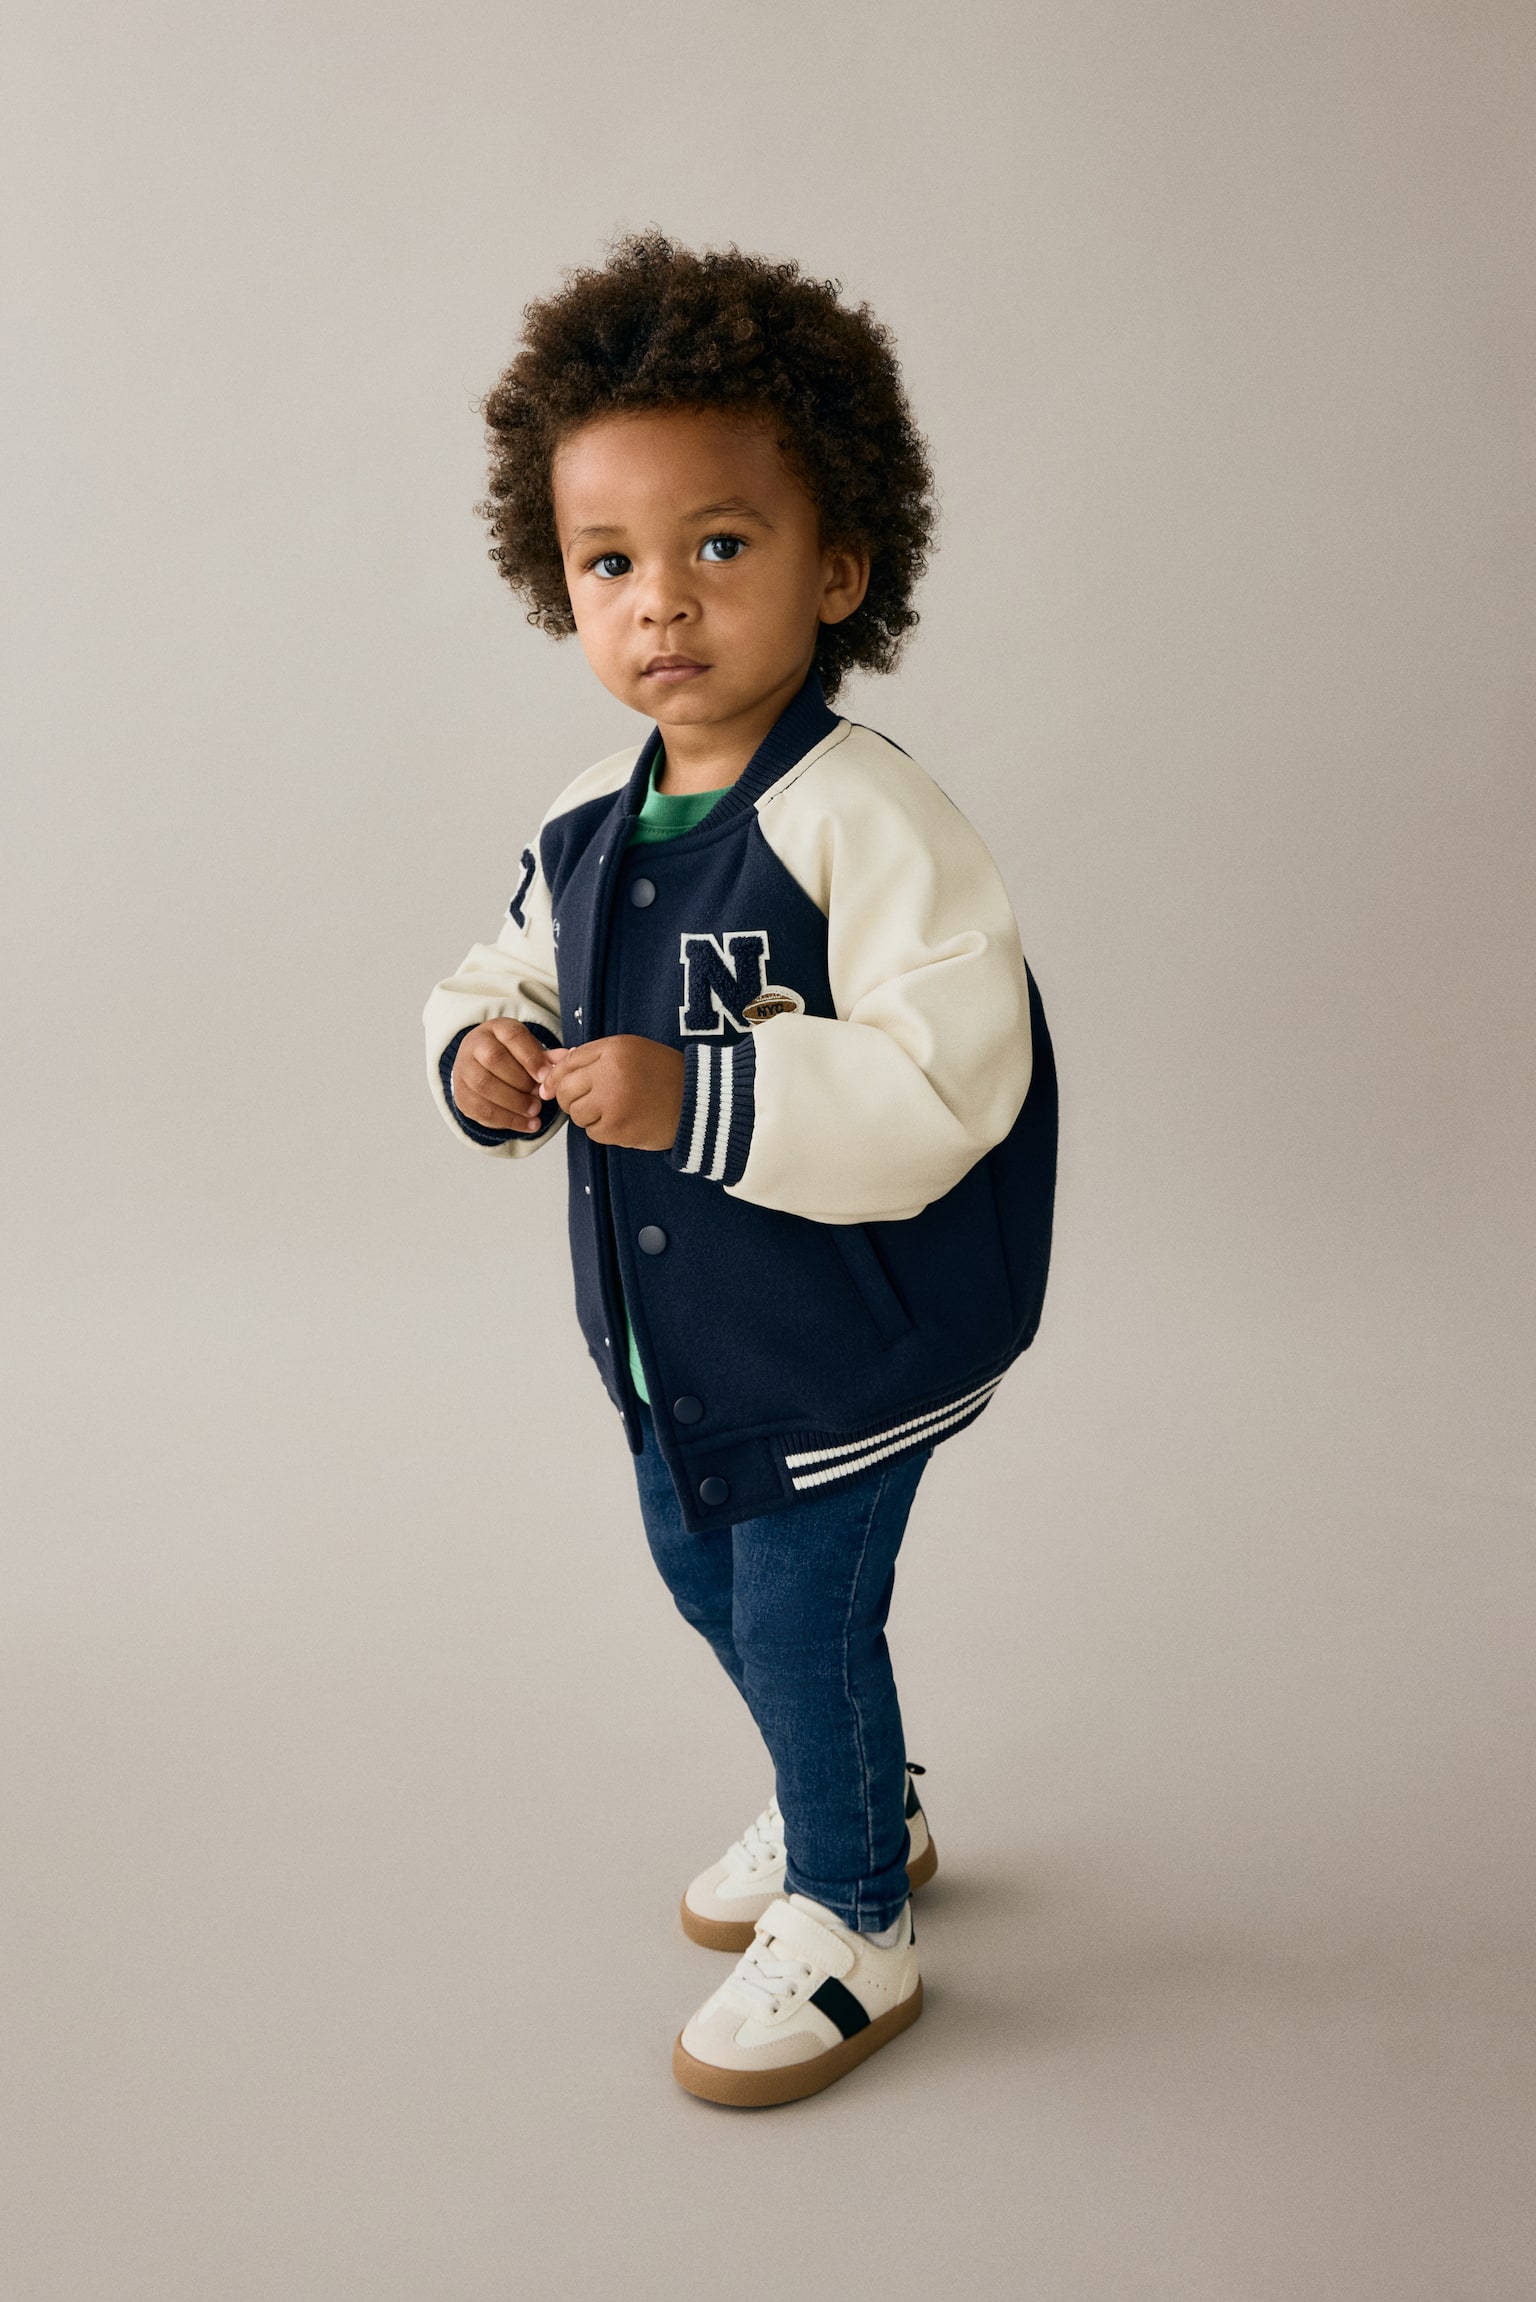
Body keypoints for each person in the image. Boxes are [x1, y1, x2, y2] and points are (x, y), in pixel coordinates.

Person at [423, 233, 1057, 2106]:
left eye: (719, 543)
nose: (663, 604)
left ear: (838, 564)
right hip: (680, 1339)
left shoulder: (865, 812)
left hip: (846, 1334)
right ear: (557, 580)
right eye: (610, 562)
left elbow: (954, 1072)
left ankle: (855, 1914)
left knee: (795, 1609)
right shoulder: (587, 820)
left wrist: (698, 1095)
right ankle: (847, 1783)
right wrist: (481, 1054)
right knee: (708, 1577)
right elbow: (505, 968)